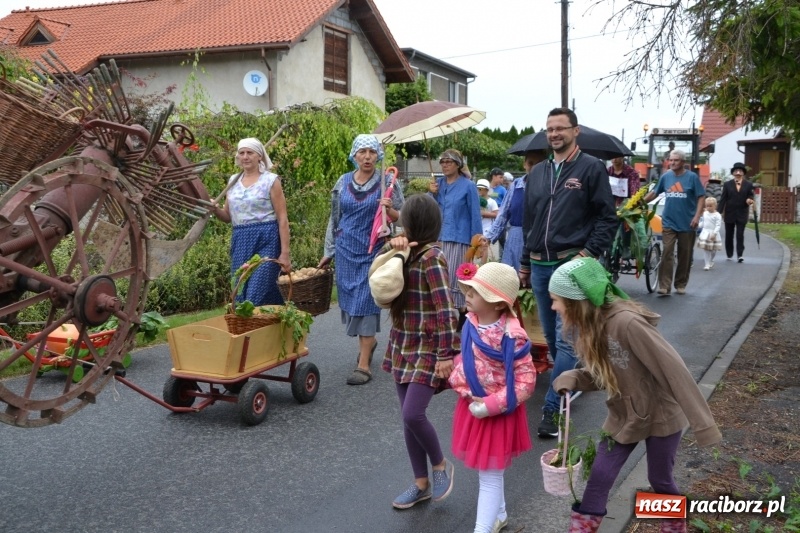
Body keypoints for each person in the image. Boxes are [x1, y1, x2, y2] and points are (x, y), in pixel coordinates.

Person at [547, 257, 721, 533]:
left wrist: (704, 424)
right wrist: (574, 378)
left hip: (661, 414)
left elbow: (673, 370)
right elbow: (608, 373)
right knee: (600, 474)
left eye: (556, 300)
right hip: (624, 414)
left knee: (659, 478)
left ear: (576, 302)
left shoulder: (627, 323)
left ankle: (674, 528)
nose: (553, 307)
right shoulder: (591, 329)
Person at [519, 107, 616, 438]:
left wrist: (587, 254)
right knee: (551, 338)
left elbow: (607, 218)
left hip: (570, 265)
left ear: (576, 132)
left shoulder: (591, 169)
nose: (554, 133)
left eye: (561, 128)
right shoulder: (538, 173)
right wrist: (524, 261)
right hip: (540, 266)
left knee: (565, 338)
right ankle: (579, 374)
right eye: (549, 128)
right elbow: (529, 221)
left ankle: (553, 409)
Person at [379, 193, 457, 510]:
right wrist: (393, 251)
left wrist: (446, 355)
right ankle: (420, 483)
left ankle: (440, 465)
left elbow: (446, 310)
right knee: (407, 419)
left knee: (414, 413)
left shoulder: (432, 259)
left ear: (413, 223)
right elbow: (381, 283)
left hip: (428, 349)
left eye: (403, 219)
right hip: (402, 343)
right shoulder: (406, 254)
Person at [449, 262, 536, 533]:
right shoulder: (471, 322)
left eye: (476, 292)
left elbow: (526, 381)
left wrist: (490, 406)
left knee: (489, 475)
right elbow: (467, 357)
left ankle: (482, 529)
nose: (468, 294)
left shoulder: (512, 337)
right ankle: (499, 514)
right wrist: (460, 380)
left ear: (498, 304)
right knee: (487, 471)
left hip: (496, 412)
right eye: (470, 289)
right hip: (472, 404)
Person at [319, 134, 404, 385]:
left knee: (366, 303)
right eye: (362, 152)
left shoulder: (387, 181)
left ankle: (363, 364)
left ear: (378, 155)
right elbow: (335, 217)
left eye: (372, 152)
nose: (367, 157)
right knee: (351, 303)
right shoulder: (343, 181)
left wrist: (388, 208)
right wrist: (328, 251)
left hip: (373, 251)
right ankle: (370, 343)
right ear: (354, 155)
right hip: (346, 250)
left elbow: (401, 216)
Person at [213, 137, 290, 306]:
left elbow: (283, 219)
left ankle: (265, 327)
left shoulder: (270, 180)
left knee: (258, 292)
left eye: (250, 153)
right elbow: (227, 217)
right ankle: (255, 331)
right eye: (242, 153)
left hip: (267, 239)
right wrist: (214, 209)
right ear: (238, 157)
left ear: (259, 156)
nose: (245, 157)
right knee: (240, 293)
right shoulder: (232, 182)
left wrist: (285, 253)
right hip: (240, 241)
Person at [429, 149, 483, 326]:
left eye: (449, 162)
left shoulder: (468, 186)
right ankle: (446, 316)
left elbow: (475, 215)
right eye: (442, 162)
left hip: (459, 238)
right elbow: (432, 209)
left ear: (458, 164)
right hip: (439, 237)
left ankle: (464, 314)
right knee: (440, 277)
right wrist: (432, 193)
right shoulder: (439, 184)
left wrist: (476, 243)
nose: (445, 165)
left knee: (457, 278)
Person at [643, 149, 705, 296]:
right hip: (669, 221)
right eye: (670, 160)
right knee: (667, 252)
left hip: (688, 222)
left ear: (683, 162)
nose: (672, 163)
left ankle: (681, 283)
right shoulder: (666, 177)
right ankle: (665, 285)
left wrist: (697, 217)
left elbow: (701, 197)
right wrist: (639, 203)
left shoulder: (692, 178)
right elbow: (654, 193)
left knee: (685, 254)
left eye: (675, 160)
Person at [487, 151, 546, 271]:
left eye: (538, 163)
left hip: (539, 240)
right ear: (524, 164)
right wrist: (488, 237)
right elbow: (503, 214)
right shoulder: (516, 185)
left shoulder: (549, 186)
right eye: (530, 163)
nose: (534, 167)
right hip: (515, 237)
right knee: (509, 278)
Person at [718, 162, 756, 263]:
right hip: (729, 213)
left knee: (740, 234)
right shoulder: (727, 184)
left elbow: (750, 196)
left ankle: (740, 255)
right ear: (733, 173)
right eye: (736, 171)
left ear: (743, 173)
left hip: (742, 213)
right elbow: (723, 199)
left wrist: (749, 200)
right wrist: (718, 212)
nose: (738, 173)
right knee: (729, 235)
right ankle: (729, 254)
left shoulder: (748, 184)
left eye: (740, 171)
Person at [476, 178, 499, 262]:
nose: (479, 190)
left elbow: (496, 214)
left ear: (487, 190)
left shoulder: (492, 202)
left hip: (487, 227)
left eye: (481, 189)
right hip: (477, 227)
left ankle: (483, 265)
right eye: (478, 188)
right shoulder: (475, 200)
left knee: (484, 247)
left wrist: (483, 213)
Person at [696, 196, 722, 270]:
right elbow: (703, 222)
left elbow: (718, 225)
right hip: (705, 233)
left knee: (713, 250)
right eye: (707, 206)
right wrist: (698, 226)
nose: (709, 207)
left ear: (715, 206)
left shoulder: (717, 215)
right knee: (706, 249)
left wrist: (714, 233)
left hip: (713, 233)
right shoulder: (705, 214)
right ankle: (707, 264)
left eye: (711, 206)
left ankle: (711, 260)